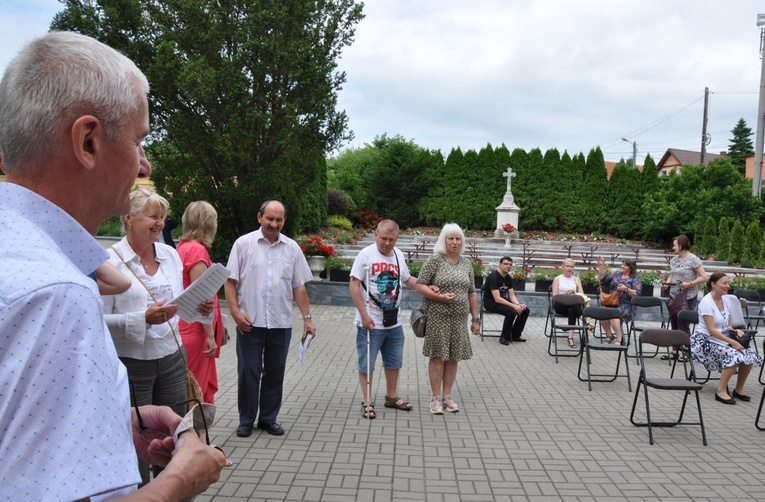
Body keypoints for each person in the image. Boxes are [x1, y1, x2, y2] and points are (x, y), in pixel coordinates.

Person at [0, 31, 226, 500]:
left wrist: (105, 419)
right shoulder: (55, 295)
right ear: (88, 141)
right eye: (139, 141)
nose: (144, 166)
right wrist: (181, 480)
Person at [103, 188, 214, 486]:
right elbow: (97, 320)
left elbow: (179, 305)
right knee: (136, 439)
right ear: (128, 217)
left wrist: (199, 306)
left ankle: (171, 489)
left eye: (163, 217)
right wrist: (142, 319)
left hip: (171, 359)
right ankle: (138, 491)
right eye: (153, 216)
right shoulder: (109, 261)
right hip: (131, 364)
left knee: (172, 436)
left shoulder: (170, 254)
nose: (160, 223)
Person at [225, 200, 316, 437]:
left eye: (279, 220)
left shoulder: (292, 248)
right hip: (249, 321)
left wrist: (307, 319)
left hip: (280, 322)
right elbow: (230, 281)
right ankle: (246, 419)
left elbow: (299, 286)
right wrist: (235, 312)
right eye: (269, 219)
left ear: (284, 221)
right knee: (248, 371)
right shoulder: (243, 244)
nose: (274, 224)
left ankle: (268, 418)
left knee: (275, 371)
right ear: (259, 217)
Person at [350, 219, 423, 419]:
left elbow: (407, 279)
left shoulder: (398, 255)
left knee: (394, 362)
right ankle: (367, 401)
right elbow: (354, 285)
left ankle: (391, 397)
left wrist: (426, 287)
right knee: (367, 363)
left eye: (391, 239)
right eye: (383, 238)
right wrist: (363, 315)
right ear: (376, 234)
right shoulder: (365, 255)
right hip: (370, 321)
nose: (387, 243)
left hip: (394, 321)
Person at [415, 223, 480, 415]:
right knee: (437, 357)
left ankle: (447, 396)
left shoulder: (466, 263)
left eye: (458, 238)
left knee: (453, 357)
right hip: (437, 318)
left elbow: (472, 293)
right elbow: (420, 285)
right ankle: (435, 398)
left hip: (459, 320)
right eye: (450, 238)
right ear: (444, 240)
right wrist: (439, 297)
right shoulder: (435, 260)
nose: (454, 242)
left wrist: (475, 319)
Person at [691, 273, 762, 404]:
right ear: (713, 284)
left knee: (749, 354)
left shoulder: (726, 300)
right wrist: (733, 342)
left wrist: (735, 331)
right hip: (705, 340)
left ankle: (739, 389)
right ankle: (721, 391)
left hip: (722, 337)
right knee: (734, 354)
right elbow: (712, 330)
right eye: (724, 283)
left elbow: (726, 324)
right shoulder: (707, 302)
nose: (728, 286)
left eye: (728, 283)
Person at [178, 201, 224, 404]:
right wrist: (210, 336)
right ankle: (196, 433)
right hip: (196, 331)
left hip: (186, 327)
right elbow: (202, 298)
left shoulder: (182, 247)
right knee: (196, 391)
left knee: (189, 387)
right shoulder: (196, 251)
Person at [662, 234, 708, 360]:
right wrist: (667, 283)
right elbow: (673, 275)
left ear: (682, 245)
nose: (673, 247)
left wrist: (690, 284)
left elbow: (704, 277)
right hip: (674, 294)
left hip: (688, 296)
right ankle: (675, 350)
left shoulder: (693, 259)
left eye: (675, 244)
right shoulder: (674, 260)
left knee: (684, 323)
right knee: (674, 322)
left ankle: (687, 351)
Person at [483, 256, 531, 345]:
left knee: (525, 310)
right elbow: (497, 299)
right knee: (512, 311)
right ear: (500, 265)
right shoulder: (493, 277)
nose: (508, 266)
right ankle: (504, 337)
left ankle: (515, 335)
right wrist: (514, 306)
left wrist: (518, 304)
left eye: (510, 264)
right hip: (491, 303)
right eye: (505, 264)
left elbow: (511, 295)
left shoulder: (508, 277)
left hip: (502, 301)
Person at [596, 256, 641, 345]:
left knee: (614, 313)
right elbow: (602, 278)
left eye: (625, 265)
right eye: (622, 264)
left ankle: (619, 339)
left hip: (626, 304)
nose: (622, 266)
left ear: (631, 268)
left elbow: (637, 294)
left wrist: (626, 289)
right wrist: (601, 265)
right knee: (602, 311)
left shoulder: (635, 279)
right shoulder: (617, 274)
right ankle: (609, 335)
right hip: (612, 301)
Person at [552, 258, 586, 348]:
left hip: (573, 306)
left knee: (572, 308)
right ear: (563, 267)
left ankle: (570, 338)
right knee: (572, 302)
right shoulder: (557, 279)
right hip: (560, 305)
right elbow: (555, 296)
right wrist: (565, 294)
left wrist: (574, 293)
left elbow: (582, 295)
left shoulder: (576, 279)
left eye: (571, 266)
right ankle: (583, 318)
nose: (569, 268)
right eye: (567, 266)